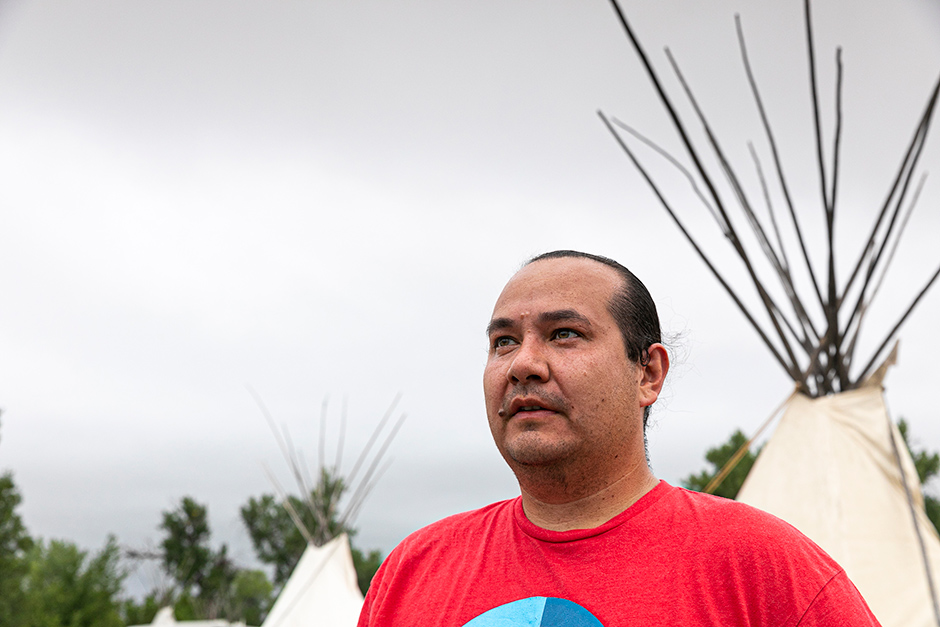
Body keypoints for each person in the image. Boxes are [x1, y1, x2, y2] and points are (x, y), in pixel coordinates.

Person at [358, 250, 880, 626]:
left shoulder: (762, 571)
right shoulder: (413, 571)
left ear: (647, 373)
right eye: (504, 342)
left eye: (564, 334)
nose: (523, 364)